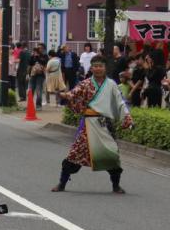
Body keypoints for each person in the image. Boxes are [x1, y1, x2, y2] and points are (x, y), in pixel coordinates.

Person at [51, 55, 133, 194]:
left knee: (111, 155)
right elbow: (73, 94)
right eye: (95, 66)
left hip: (105, 125)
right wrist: (64, 95)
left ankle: (116, 186)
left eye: (101, 66)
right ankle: (62, 183)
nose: (98, 68)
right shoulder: (85, 84)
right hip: (88, 126)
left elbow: (120, 102)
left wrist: (127, 117)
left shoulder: (111, 84)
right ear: (92, 68)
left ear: (105, 68)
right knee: (75, 154)